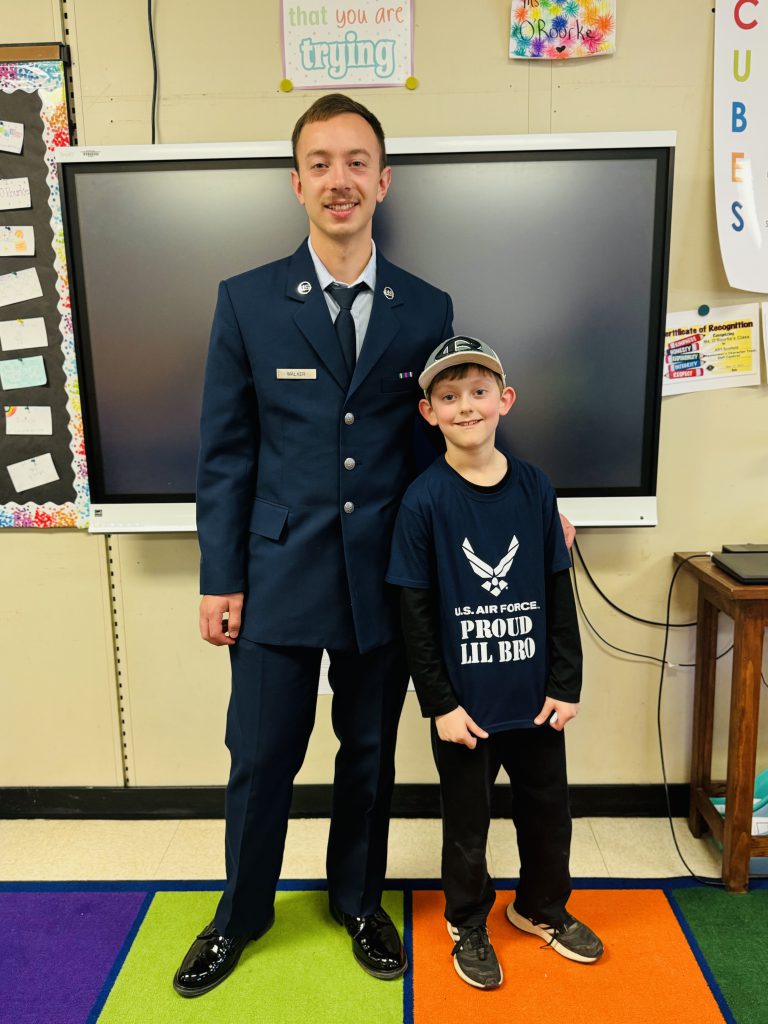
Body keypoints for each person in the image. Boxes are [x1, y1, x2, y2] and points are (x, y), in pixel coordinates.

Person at [172, 93, 455, 997]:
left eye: (358, 161)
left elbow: (444, 443)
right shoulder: (247, 301)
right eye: (322, 163)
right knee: (260, 756)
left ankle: (357, 902)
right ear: (297, 183)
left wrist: (523, 508)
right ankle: (241, 914)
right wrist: (220, 577)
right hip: (273, 574)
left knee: (369, 753)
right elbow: (224, 455)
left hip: (384, 577)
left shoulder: (428, 306)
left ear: (384, 179)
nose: (342, 180)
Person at [386, 336, 603, 990]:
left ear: (505, 400)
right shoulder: (422, 502)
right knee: (467, 827)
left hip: (535, 699)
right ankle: (468, 919)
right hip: (466, 710)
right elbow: (415, 615)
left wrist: (566, 684)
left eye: (478, 392)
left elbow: (559, 592)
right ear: (428, 413)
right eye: (448, 396)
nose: (465, 406)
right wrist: (441, 706)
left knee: (548, 813)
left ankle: (539, 907)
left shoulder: (536, 488)